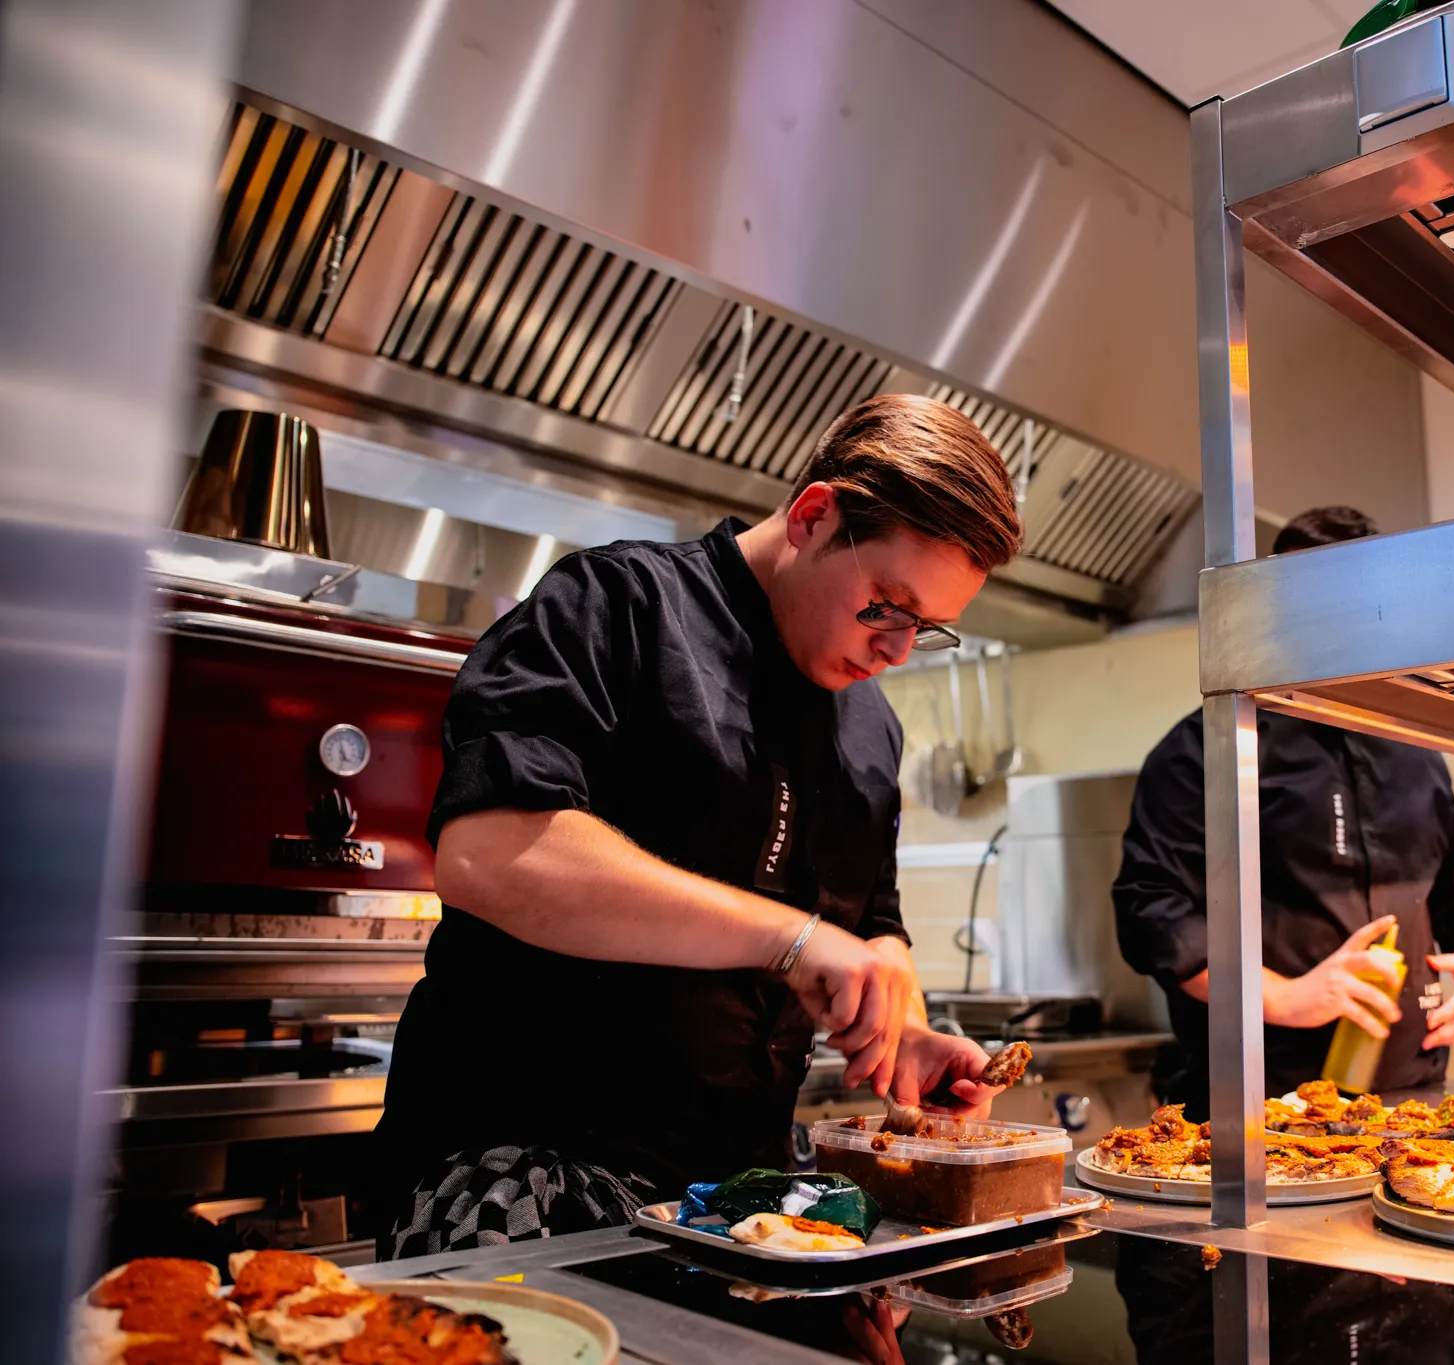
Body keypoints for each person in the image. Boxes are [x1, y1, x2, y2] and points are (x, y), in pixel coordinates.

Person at [378, 394, 1022, 1254]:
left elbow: (873, 930)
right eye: (884, 606)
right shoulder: (616, 604)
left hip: (729, 1210)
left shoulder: (871, 728)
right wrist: (791, 939)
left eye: (927, 627)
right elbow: (489, 853)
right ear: (813, 515)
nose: (897, 649)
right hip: (522, 1178)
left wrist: (901, 1037)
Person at [1113, 506, 1454, 1118]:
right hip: (1260, 1111)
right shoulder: (1209, 749)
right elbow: (1153, 910)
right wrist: (1287, 997)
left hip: (1412, 1103)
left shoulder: (1414, 747)